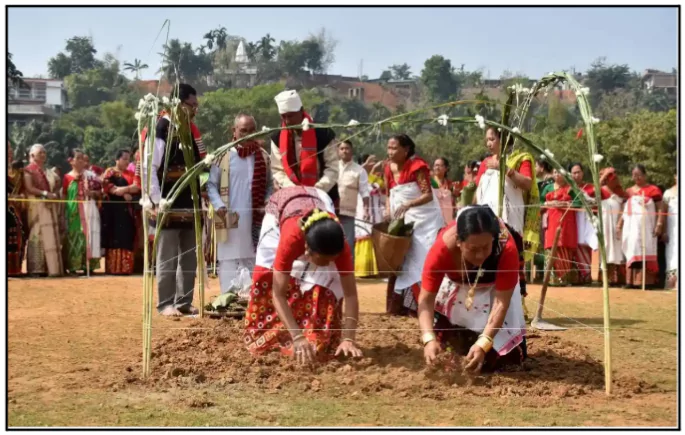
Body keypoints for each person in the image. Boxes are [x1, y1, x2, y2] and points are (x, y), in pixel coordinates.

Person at [243, 186, 363, 363]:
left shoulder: (339, 245)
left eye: (333, 259)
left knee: (329, 281)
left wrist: (348, 338)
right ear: (307, 249)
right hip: (281, 212)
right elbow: (278, 294)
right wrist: (297, 337)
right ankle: (274, 335)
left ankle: (316, 331)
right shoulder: (290, 240)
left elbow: (351, 294)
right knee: (266, 278)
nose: (329, 264)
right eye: (323, 259)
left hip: (318, 201)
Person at [418, 206, 527, 372]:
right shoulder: (441, 251)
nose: (480, 255)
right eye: (473, 249)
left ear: (493, 239)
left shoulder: (507, 249)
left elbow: (501, 303)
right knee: (447, 351)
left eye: (485, 247)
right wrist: (428, 339)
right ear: (459, 242)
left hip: (495, 290)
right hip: (459, 290)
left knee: (502, 362)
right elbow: (425, 300)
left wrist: (483, 343)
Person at [142, 83, 207, 316]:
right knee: (167, 257)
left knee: (189, 256)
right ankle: (165, 303)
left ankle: (184, 301)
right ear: (178, 104)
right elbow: (150, 167)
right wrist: (157, 202)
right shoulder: (160, 128)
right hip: (168, 204)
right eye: (192, 105)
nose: (194, 110)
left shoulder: (189, 130)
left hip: (189, 203)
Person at [207, 114, 272, 294]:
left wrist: (267, 202)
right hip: (228, 215)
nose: (248, 135)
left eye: (252, 131)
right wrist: (219, 205)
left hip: (255, 218)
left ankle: (250, 301)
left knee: (253, 257)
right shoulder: (223, 155)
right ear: (234, 131)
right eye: (244, 130)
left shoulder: (263, 156)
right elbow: (211, 184)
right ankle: (228, 299)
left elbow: (270, 185)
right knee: (228, 258)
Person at [383, 134, 445, 314]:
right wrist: (388, 210)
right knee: (402, 260)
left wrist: (408, 204)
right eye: (389, 148)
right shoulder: (388, 168)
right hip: (401, 221)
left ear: (406, 150)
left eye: (394, 148)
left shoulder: (417, 166)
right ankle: (401, 306)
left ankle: (424, 306)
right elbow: (389, 194)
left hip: (424, 222)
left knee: (423, 259)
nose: (390, 152)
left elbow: (427, 195)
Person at [475, 127, 539, 258]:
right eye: (487, 140)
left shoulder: (521, 159)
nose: (488, 144)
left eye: (492, 139)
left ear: (504, 140)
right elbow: (479, 193)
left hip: (511, 221)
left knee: (509, 253)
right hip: (487, 220)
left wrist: (503, 168)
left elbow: (527, 183)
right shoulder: (485, 163)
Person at [270, 89, 340, 206]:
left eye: (291, 116)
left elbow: (333, 168)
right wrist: (297, 192)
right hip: (291, 197)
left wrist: (315, 191)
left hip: (323, 196)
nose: (287, 121)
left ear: (301, 111)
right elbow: (278, 170)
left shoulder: (324, 133)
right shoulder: (277, 138)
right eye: (284, 117)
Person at [617, 164, 665, 289]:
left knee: (646, 250)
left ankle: (646, 282)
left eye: (639, 175)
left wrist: (659, 224)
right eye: (634, 175)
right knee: (632, 249)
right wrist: (619, 225)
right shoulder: (628, 191)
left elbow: (661, 208)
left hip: (647, 227)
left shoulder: (653, 190)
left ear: (645, 175)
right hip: (632, 228)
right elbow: (624, 210)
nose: (636, 178)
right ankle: (631, 281)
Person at [23, 144, 64, 277]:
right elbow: (29, 188)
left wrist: (54, 193)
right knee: (37, 234)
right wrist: (46, 194)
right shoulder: (28, 170)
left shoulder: (48, 172)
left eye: (44, 152)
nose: (43, 155)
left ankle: (51, 268)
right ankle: (36, 268)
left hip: (50, 206)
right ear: (32, 155)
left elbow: (57, 185)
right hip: (36, 206)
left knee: (51, 236)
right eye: (40, 152)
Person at [62, 148, 103, 275]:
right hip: (73, 212)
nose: (81, 161)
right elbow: (64, 196)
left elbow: (101, 193)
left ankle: (89, 266)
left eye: (82, 158)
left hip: (90, 210)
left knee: (90, 235)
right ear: (71, 161)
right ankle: (74, 266)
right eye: (77, 158)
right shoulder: (67, 177)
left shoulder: (91, 176)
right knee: (75, 235)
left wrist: (91, 193)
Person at [101, 149, 140, 275]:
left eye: (128, 159)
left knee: (127, 236)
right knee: (114, 237)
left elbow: (137, 187)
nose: (127, 161)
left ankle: (126, 267)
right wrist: (123, 193)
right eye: (124, 159)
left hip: (128, 211)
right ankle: (114, 267)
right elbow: (107, 186)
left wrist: (124, 191)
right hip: (113, 211)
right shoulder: (110, 172)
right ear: (116, 159)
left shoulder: (131, 173)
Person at [541, 168, 579, 286]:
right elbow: (541, 202)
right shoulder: (547, 188)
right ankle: (551, 279)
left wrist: (566, 204)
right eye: (555, 172)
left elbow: (578, 202)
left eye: (560, 172)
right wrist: (550, 203)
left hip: (566, 223)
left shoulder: (571, 188)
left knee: (565, 247)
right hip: (552, 222)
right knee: (552, 246)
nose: (557, 175)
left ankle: (565, 279)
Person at [336, 139, 371, 262]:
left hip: (348, 213)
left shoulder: (359, 170)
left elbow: (364, 192)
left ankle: (349, 276)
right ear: (338, 151)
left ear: (352, 151)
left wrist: (366, 210)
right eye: (342, 148)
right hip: (330, 211)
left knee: (347, 244)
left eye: (347, 148)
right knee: (330, 242)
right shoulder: (332, 168)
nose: (344, 151)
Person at [569, 163, 601, 285]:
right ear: (570, 175)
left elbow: (598, 202)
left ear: (582, 173)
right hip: (573, 219)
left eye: (578, 172)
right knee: (575, 244)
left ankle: (587, 275)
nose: (576, 175)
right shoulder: (569, 188)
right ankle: (577, 277)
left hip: (587, 219)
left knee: (587, 244)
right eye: (574, 173)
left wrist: (591, 202)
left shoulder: (591, 188)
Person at [599, 167, 628, 286]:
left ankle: (618, 279)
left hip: (618, 224)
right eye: (612, 178)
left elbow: (625, 205)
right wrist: (604, 175)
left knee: (618, 249)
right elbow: (593, 191)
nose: (615, 180)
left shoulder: (620, 191)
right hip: (605, 224)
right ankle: (606, 279)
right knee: (606, 247)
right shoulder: (601, 190)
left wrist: (620, 222)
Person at [8, 142, 25, 276]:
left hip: (13, 209)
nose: (9, 151)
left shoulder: (14, 171)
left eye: (10, 149)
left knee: (15, 235)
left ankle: (13, 269)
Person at [432, 157, 459, 224]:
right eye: (435, 165)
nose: (437, 168)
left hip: (448, 218)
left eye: (439, 165)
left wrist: (455, 195)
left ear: (446, 168)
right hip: (433, 217)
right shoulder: (430, 182)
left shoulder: (450, 184)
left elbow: (453, 201)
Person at [662, 175, 678, 290]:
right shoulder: (668, 193)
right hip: (672, 229)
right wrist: (663, 231)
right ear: (675, 176)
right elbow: (663, 213)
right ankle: (671, 284)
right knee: (672, 255)